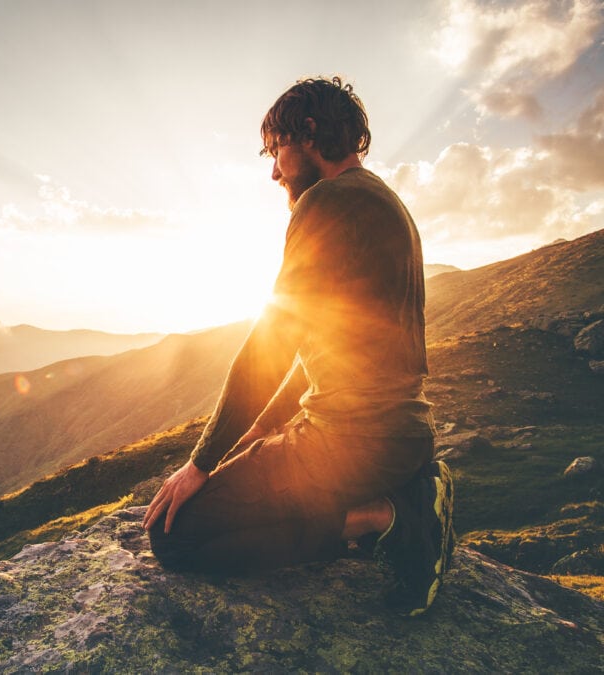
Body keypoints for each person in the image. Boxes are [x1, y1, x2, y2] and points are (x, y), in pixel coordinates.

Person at [142, 76, 455, 617]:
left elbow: (276, 336)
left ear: (306, 133)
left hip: (346, 443)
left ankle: (389, 517)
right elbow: (321, 338)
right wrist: (263, 427)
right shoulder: (385, 201)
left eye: (274, 150)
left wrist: (200, 464)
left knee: (176, 538)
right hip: (400, 437)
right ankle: (407, 493)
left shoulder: (325, 202)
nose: (272, 170)